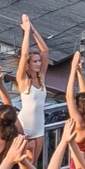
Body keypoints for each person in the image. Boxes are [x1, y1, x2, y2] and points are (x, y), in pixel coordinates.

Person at [17, 16, 51, 161]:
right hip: (23, 127)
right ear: (28, 64)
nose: (38, 64)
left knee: (33, 164)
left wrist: (33, 31)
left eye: (39, 61)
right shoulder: (24, 80)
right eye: (35, 62)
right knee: (21, 164)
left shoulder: (41, 76)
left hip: (38, 129)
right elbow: (24, 55)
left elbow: (45, 52)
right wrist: (26, 33)